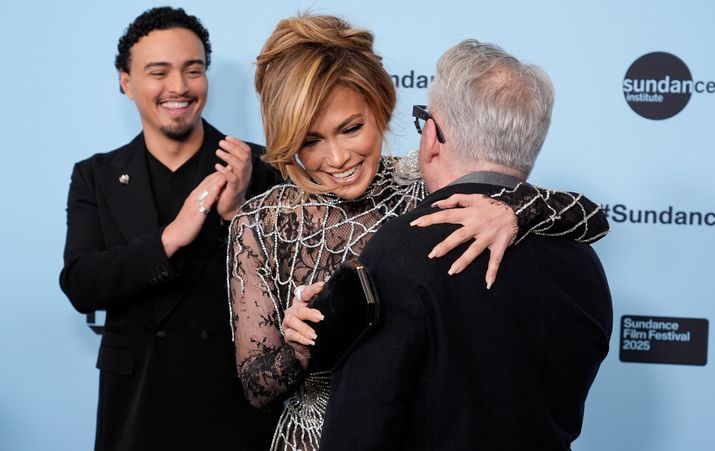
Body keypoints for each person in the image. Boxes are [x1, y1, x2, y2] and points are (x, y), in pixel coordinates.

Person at [228, 14, 610, 451]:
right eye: (310, 141)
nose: (336, 157)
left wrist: (514, 211)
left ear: (381, 106)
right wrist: (298, 350)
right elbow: (255, 389)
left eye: (351, 129)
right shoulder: (262, 221)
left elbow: (593, 217)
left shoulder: (428, 181)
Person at [59, 7, 282, 451]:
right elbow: (81, 283)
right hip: (137, 404)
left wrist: (235, 216)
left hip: (235, 405)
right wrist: (168, 240)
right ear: (126, 81)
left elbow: (285, 285)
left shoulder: (259, 167)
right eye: (158, 72)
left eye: (192, 70)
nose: (178, 87)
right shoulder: (96, 176)